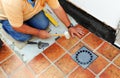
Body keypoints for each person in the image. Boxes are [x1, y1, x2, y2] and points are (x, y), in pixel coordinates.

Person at [0, 0, 84, 42]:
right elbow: (17, 26)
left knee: (43, 25)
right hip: (7, 17)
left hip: (27, 11)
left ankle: (28, 14)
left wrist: (70, 26)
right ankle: (6, 25)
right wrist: (38, 33)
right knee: (24, 37)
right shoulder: (11, 2)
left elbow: (57, 8)